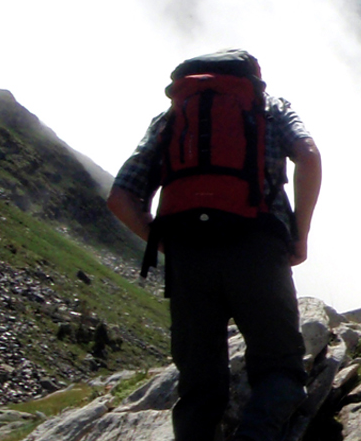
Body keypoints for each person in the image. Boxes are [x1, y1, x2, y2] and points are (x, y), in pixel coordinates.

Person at [107, 49, 321, 441]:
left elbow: (120, 197)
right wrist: (299, 233)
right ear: (254, 79)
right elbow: (308, 155)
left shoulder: (172, 117)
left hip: (188, 255)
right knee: (280, 369)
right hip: (257, 245)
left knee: (199, 386)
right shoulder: (272, 107)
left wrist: (166, 244)